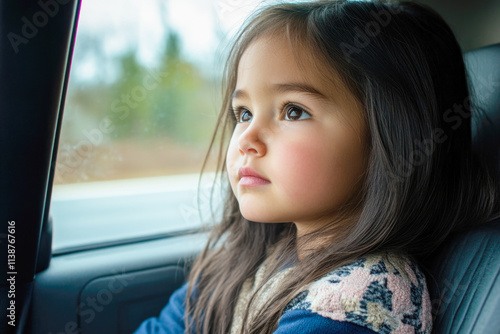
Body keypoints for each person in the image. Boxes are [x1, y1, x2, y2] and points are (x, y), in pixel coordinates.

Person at [134, 1, 499, 333]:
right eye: (243, 113)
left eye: (293, 111)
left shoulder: (355, 302)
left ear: (390, 139)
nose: (246, 139)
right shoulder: (246, 262)